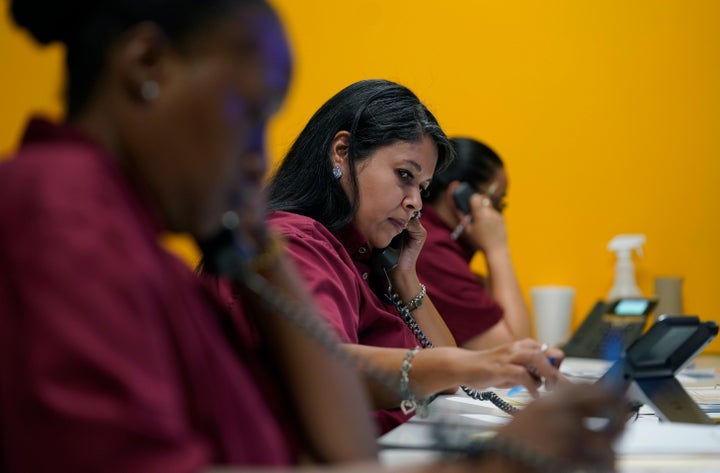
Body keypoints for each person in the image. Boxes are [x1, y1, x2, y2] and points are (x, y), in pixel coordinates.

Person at [0, 1, 626, 472]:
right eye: (248, 114)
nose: (256, 158)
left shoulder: (137, 239)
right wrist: (494, 463)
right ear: (145, 66)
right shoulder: (66, 222)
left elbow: (339, 445)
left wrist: (253, 248)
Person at [265, 80, 565, 435]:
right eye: (404, 175)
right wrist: (473, 366)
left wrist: (405, 276)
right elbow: (325, 367)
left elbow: (446, 381)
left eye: (422, 188)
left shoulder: (362, 254)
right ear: (342, 152)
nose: (415, 202)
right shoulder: (296, 244)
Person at [417, 137, 531, 350]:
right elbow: (515, 350)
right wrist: (497, 249)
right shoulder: (430, 250)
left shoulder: (436, 241)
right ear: (460, 196)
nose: (499, 216)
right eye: (496, 201)